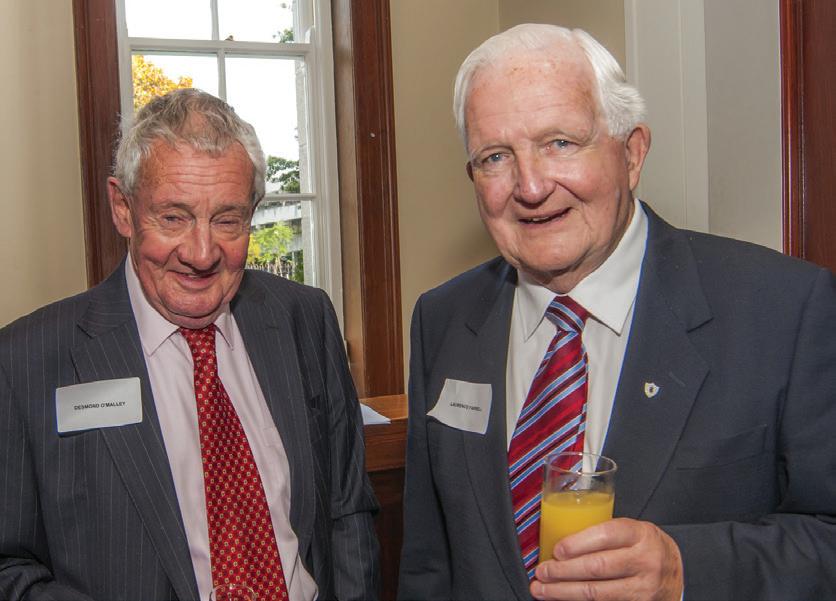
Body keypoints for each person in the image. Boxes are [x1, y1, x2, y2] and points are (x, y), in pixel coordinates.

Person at [398, 23, 836, 601]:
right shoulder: (443, 319)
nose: (530, 186)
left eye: (560, 143)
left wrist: (686, 570)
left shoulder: (784, 309)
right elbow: (429, 564)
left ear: (632, 153)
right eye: (495, 157)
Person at [0, 89, 379, 601]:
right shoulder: (25, 361)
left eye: (227, 220)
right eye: (174, 218)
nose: (202, 254)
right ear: (123, 208)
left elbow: (347, 511)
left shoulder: (304, 318)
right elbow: (9, 566)